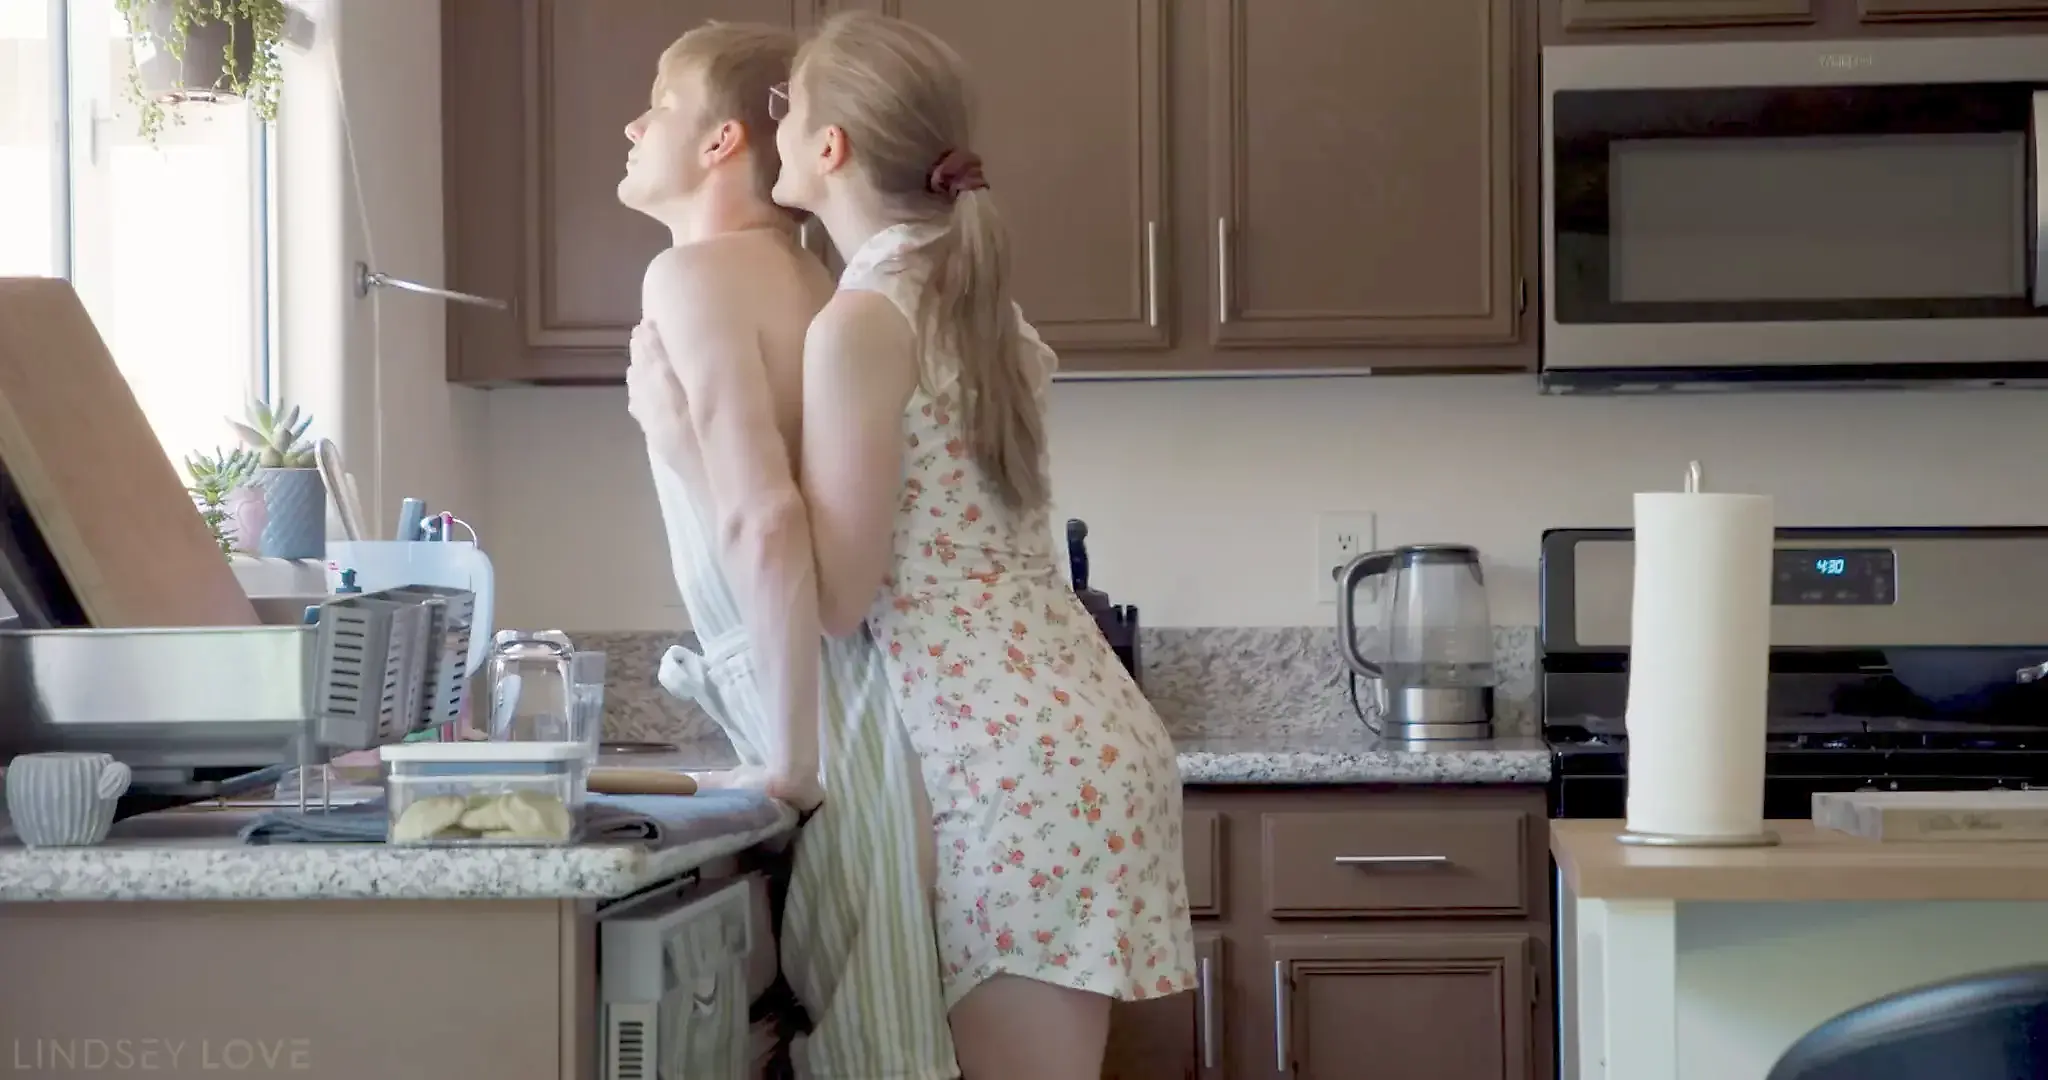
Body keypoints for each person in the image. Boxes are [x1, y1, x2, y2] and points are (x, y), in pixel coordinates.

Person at [782, 11, 1196, 1077]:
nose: (774, 125)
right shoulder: (973, 306)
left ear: (828, 145)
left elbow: (837, 596)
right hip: (1071, 742)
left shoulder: (861, 321)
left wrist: (709, 455)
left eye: (787, 107)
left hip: (1007, 769)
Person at [615, 21, 956, 1079]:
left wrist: (791, 768)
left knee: (874, 1056)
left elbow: (766, 524)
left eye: (658, 104)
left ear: (721, 141)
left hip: (826, 727)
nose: (631, 127)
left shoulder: (692, 276)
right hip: (861, 709)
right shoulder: (806, 277)